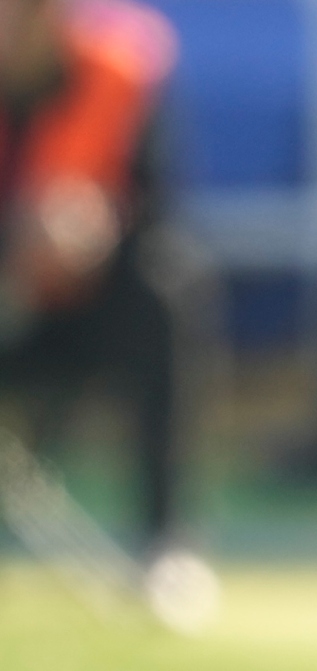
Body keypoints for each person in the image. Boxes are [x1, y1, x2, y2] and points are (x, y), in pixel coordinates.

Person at [0, 0, 183, 555]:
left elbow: (156, 208)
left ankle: (165, 540)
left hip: (84, 299)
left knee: (165, 289)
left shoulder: (117, 68)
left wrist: (93, 227)